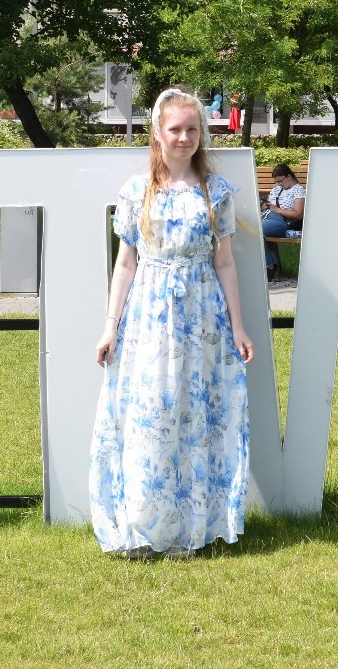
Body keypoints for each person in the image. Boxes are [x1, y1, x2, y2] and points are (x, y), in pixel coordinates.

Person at [91, 87, 254, 560]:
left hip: (202, 319)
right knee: (151, 415)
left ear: (201, 133)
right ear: (158, 134)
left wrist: (238, 327)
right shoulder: (136, 191)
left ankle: (191, 526)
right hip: (149, 317)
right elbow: (125, 265)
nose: (184, 137)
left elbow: (225, 263)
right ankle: (146, 527)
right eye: (175, 129)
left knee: (194, 415)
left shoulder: (216, 192)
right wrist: (110, 326)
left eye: (192, 129)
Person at [261, 163, 305, 275]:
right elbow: (270, 206)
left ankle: (270, 266)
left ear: (289, 176)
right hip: (268, 216)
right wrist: (265, 206)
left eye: (280, 181)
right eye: (277, 182)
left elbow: (298, 214)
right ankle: (269, 265)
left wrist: (277, 210)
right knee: (252, 228)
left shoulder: (298, 190)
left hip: (285, 222)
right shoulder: (276, 189)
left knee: (257, 229)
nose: (279, 184)